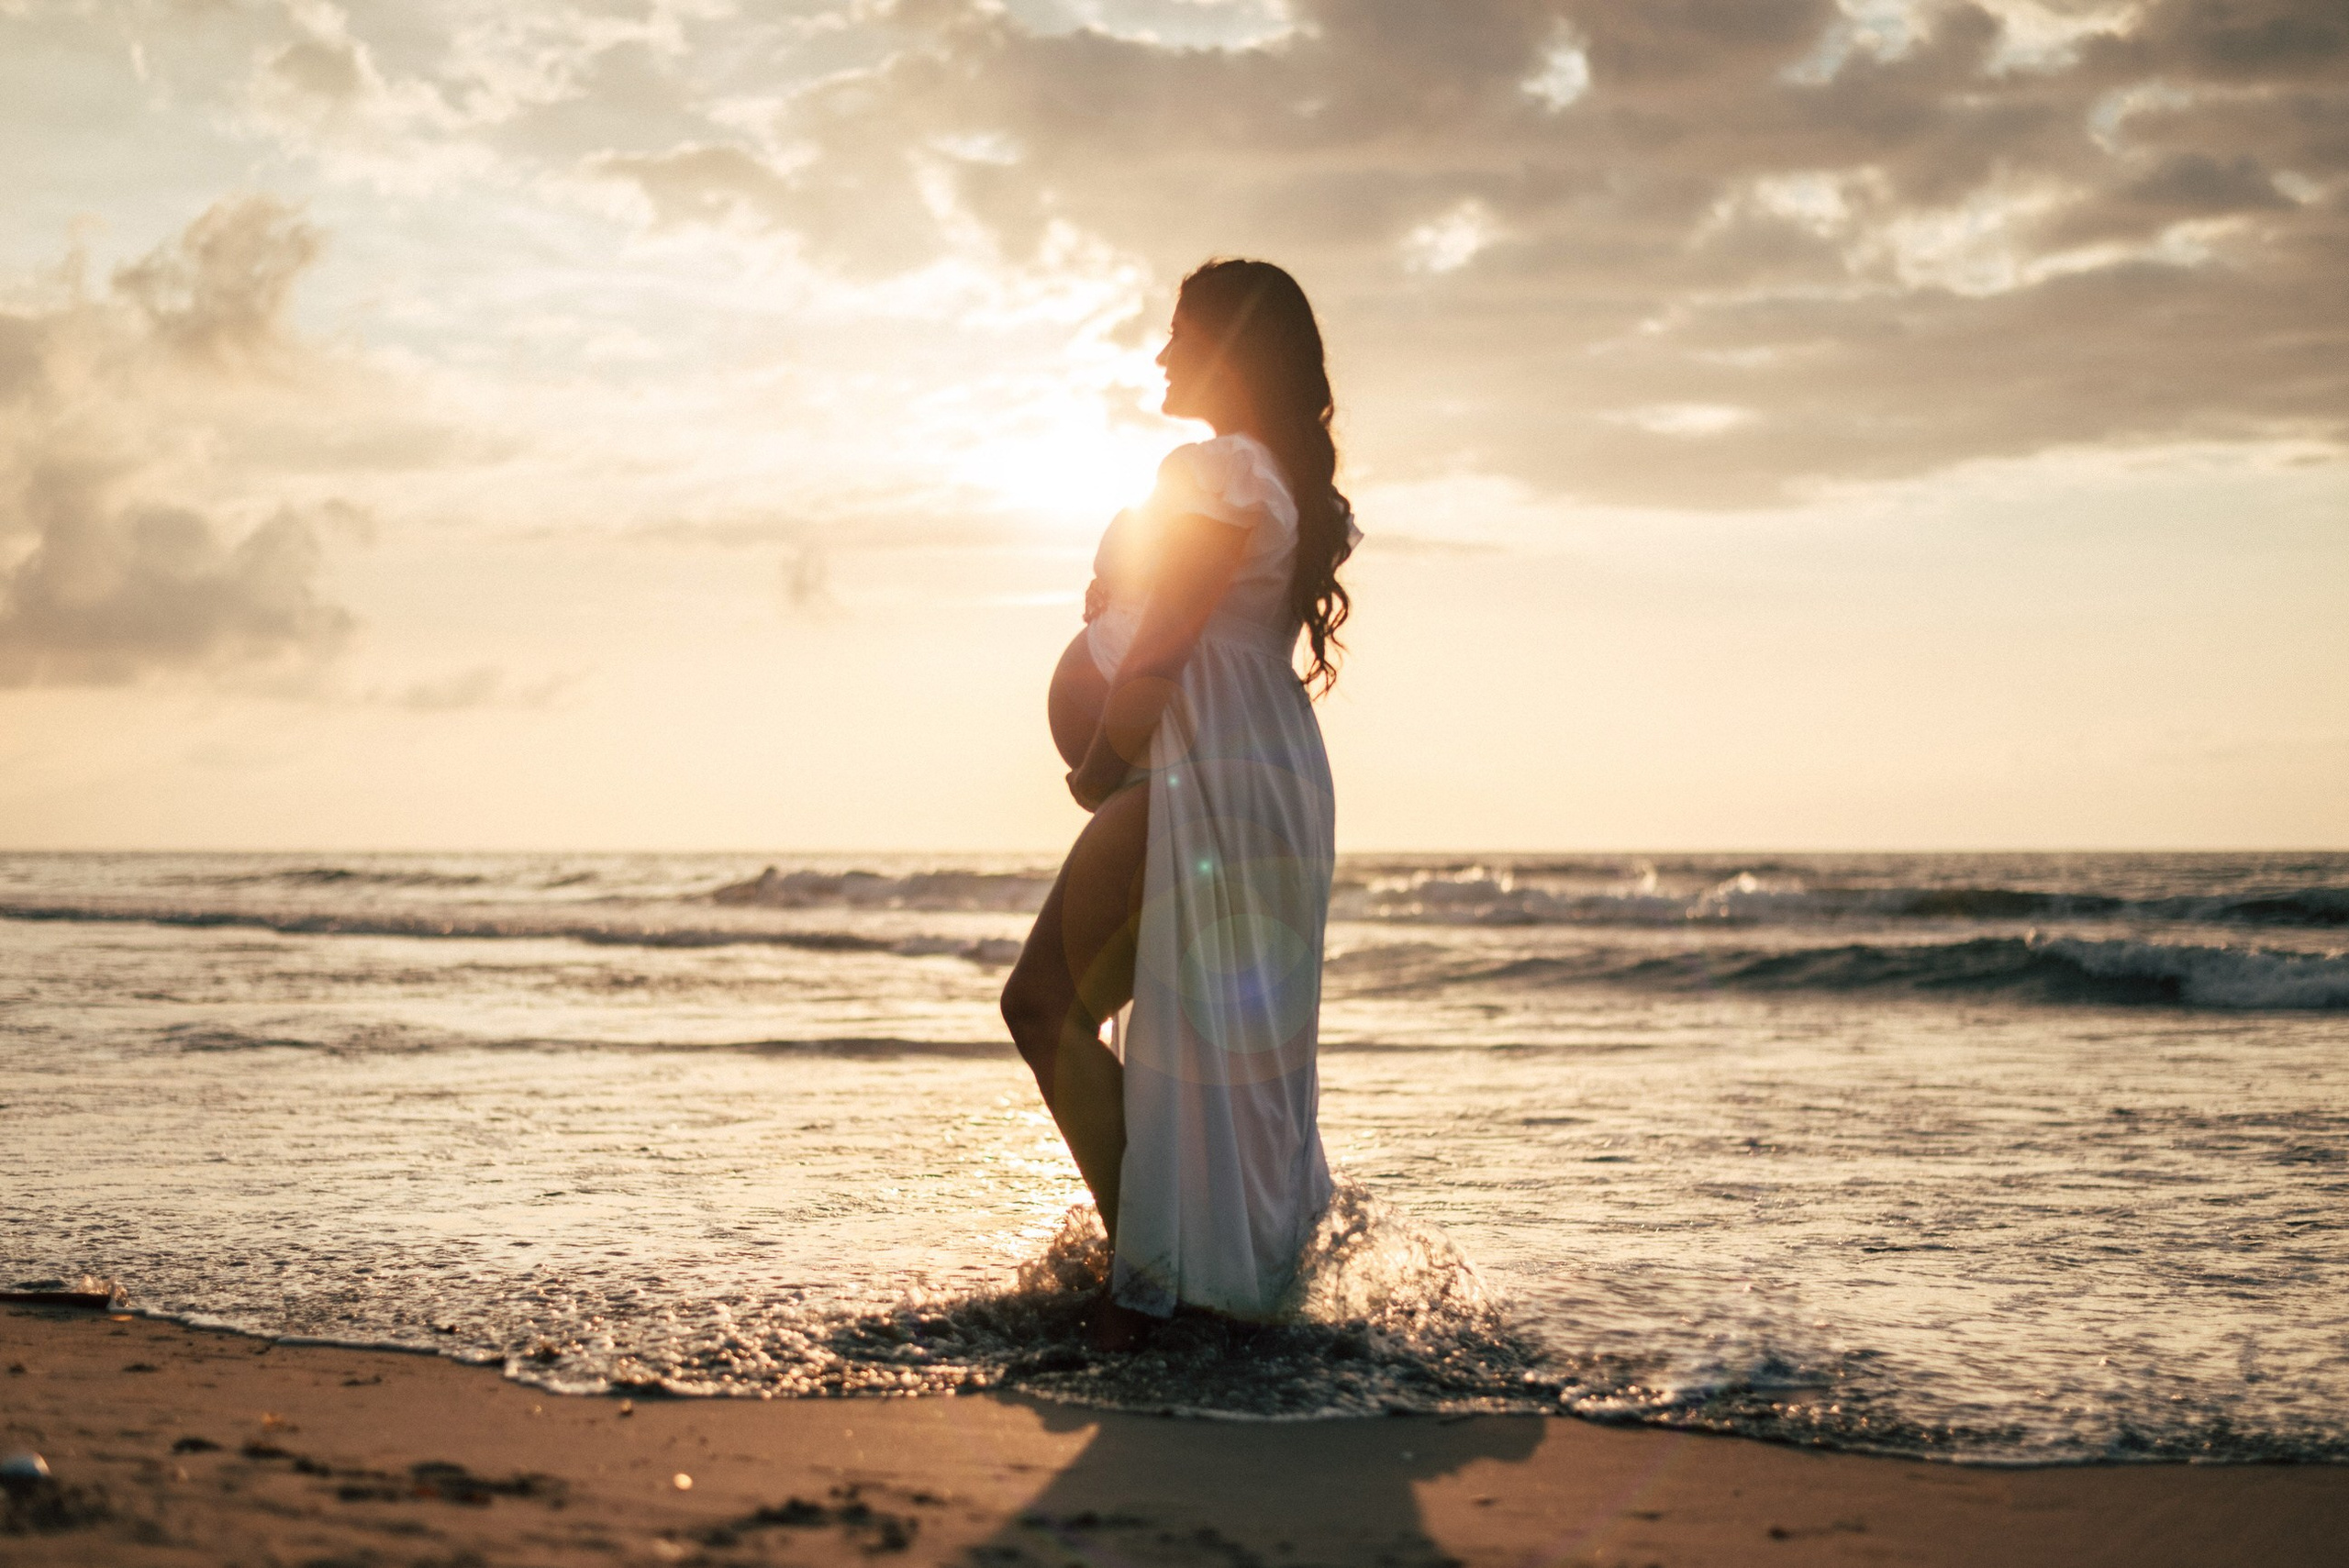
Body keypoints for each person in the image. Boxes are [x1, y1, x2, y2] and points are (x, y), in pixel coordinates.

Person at [1001, 258, 1359, 1350]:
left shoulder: (1216, 469)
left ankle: (1148, 1279)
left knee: (1040, 1001)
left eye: (1178, 331)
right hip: (1267, 766)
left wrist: (1099, 766)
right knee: (1211, 1036)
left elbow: (1167, 644)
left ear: (1229, 349)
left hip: (1199, 770)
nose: (1159, 353)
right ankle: (1193, 1276)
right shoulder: (1277, 478)